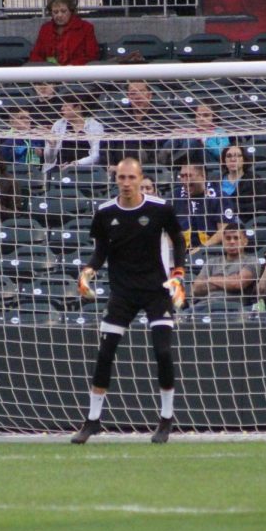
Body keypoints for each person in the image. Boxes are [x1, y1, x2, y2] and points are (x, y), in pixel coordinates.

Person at [72, 157, 187, 444]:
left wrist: (178, 274)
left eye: (131, 178)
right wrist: (88, 271)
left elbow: (179, 240)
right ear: (115, 180)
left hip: (156, 290)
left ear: (140, 179)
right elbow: (100, 252)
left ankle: (166, 417)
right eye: (121, 178)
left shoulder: (160, 209)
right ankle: (93, 420)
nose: (125, 183)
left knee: (162, 351)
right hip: (122, 291)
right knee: (105, 353)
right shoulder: (104, 212)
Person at [189, 222, 259, 309]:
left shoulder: (251, 261)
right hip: (205, 306)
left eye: (236, 238)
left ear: (245, 241)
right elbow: (195, 289)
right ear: (223, 241)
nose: (232, 242)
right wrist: (228, 280)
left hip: (233, 309)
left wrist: (210, 279)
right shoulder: (211, 262)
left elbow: (237, 284)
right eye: (228, 238)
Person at [173, 160, 237, 252]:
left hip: (210, 252)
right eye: (182, 176)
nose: (184, 180)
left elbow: (224, 230)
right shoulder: (175, 196)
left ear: (203, 176)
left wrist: (201, 250)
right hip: (179, 251)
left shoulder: (219, 197)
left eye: (189, 176)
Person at [105, 81, 166, 173]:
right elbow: (106, 147)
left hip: (153, 171)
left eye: (141, 92)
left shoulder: (163, 118)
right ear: (128, 96)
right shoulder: (117, 119)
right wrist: (110, 166)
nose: (137, 97)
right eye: (133, 93)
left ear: (150, 95)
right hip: (121, 172)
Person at [42, 96, 104, 173]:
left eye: (65, 106)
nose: (62, 109)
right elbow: (49, 160)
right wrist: (52, 146)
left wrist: (75, 164)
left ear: (78, 108)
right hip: (60, 168)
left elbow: (95, 156)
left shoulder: (95, 126)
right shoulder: (58, 125)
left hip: (85, 168)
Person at [29, 0, 100, 66]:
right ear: (51, 13)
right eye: (55, 12)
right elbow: (35, 55)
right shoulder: (45, 29)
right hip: (50, 74)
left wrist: (72, 66)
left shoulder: (86, 28)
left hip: (78, 74)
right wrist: (49, 66)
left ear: (71, 11)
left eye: (63, 11)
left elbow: (92, 55)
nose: (59, 15)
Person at [162, 102, 231, 166]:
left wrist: (204, 142)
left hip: (210, 162)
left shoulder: (220, 132)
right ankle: (162, 156)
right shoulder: (191, 130)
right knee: (179, 137)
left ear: (214, 117)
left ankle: (173, 161)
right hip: (190, 160)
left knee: (194, 141)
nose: (201, 119)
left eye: (206, 115)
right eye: (198, 115)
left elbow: (221, 153)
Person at [219, 145, 266, 221]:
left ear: (244, 159)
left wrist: (235, 207)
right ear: (224, 160)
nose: (233, 159)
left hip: (242, 221)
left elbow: (265, 203)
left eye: (238, 156)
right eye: (228, 156)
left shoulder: (254, 179)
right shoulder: (215, 180)